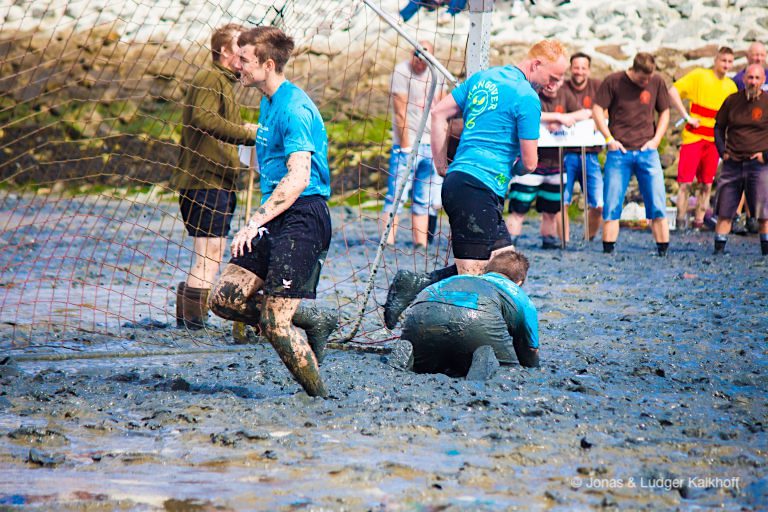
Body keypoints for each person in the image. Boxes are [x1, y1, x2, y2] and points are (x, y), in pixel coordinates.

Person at [383, 39, 567, 329]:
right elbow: (530, 163)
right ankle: (446, 323)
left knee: (508, 268)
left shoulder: (484, 77)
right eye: (553, 77)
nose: (555, 85)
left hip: (465, 183)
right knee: (472, 280)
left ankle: (418, 285)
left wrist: (441, 163)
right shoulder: (528, 97)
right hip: (476, 189)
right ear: (536, 65)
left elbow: (439, 113)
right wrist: (513, 169)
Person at [208, 26, 337, 398]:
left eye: (244, 60)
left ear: (267, 65)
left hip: (304, 215)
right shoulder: (267, 101)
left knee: (276, 325)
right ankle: (313, 317)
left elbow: (298, 177)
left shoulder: (294, 108)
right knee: (224, 299)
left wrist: (253, 221)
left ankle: (320, 399)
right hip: (275, 213)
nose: (237, 66)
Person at [171, 23, 258, 330]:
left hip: (214, 181)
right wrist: (248, 135)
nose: (245, 54)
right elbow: (203, 118)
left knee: (209, 253)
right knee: (208, 254)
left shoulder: (223, 83)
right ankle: (194, 325)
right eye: (240, 47)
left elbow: (217, 123)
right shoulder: (210, 77)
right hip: (205, 182)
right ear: (223, 50)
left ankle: (188, 322)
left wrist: (245, 130)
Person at [392, 248, 539, 378]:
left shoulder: (459, 278)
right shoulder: (519, 295)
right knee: (509, 372)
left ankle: (412, 353)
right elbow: (531, 349)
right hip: (477, 323)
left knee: (425, 364)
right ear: (519, 282)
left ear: (486, 271)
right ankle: (484, 358)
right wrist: (531, 366)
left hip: (421, 313)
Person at [593, 52, 671, 256]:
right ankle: (608, 250)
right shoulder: (614, 81)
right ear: (633, 70)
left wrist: (656, 140)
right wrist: (609, 139)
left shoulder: (656, 82)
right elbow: (597, 109)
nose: (646, 82)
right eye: (642, 78)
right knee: (612, 202)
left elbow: (665, 111)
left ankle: (663, 250)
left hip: (647, 151)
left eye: (648, 78)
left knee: (657, 202)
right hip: (619, 152)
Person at [506, 76, 589, 249]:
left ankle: (549, 243)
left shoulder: (566, 94)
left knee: (551, 211)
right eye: (550, 80)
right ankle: (508, 245)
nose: (552, 85)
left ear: (562, 81)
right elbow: (523, 112)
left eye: (557, 81)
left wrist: (562, 120)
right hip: (529, 166)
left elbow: (586, 113)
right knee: (518, 210)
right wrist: (556, 117)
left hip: (556, 166)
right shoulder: (532, 94)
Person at [381, 41, 446, 248]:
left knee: (424, 198)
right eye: (417, 56)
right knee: (396, 196)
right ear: (412, 54)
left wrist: (440, 145)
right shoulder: (401, 72)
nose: (420, 61)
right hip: (408, 144)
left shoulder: (438, 73)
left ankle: (421, 244)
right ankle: (387, 242)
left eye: (425, 58)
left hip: (430, 144)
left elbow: (442, 110)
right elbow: (400, 113)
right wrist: (406, 147)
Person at [668, 47, 736, 231]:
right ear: (716, 60)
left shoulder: (731, 86)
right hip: (694, 137)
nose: (726, 65)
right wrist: (686, 117)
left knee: (706, 184)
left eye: (730, 62)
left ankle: (698, 223)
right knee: (685, 182)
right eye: (723, 61)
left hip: (713, 140)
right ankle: (680, 222)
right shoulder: (699, 76)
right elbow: (673, 91)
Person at [712, 64, 768, 256]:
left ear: (763, 80)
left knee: (764, 212)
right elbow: (718, 127)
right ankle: (719, 250)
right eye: (750, 77)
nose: (753, 82)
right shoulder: (732, 100)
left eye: (757, 78)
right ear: (743, 79)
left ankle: (765, 252)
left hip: (759, 164)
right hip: (733, 162)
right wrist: (722, 152)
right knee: (725, 209)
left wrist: (765, 156)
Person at [560, 52, 604, 241]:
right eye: (576, 67)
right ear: (571, 69)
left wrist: (598, 118)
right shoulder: (562, 87)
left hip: (591, 154)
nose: (579, 71)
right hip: (566, 153)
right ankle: (565, 241)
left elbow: (607, 111)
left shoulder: (597, 87)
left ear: (589, 70)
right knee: (562, 201)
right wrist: (585, 115)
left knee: (598, 204)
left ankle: (588, 238)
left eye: (583, 68)